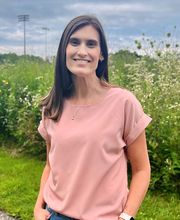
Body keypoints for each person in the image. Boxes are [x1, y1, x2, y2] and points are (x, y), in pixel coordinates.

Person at [34, 15, 152, 220]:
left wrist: (126, 217)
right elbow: (51, 165)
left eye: (91, 44)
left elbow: (142, 169)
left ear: (101, 54)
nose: (82, 51)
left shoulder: (123, 103)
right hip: (55, 215)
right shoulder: (52, 106)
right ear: (64, 50)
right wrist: (38, 207)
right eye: (74, 42)